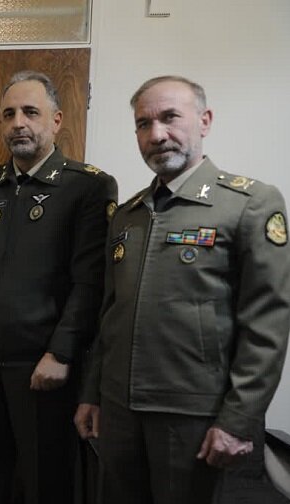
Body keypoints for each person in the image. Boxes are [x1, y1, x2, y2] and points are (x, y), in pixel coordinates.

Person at [74, 76, 290, 504]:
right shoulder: (128, 215)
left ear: (204, 121)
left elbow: (267, 325)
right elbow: (109, 314)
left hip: (195, 416)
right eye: (143, 123)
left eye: (170, 117)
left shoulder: (249, 204)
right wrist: (92, 394)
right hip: (119, 411)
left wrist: (239, 420)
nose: (157, 134)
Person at [0, 71, 117, 504]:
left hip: (44, 369)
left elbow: (90, 282)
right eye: (9, 114)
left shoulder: (87, 187)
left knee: (45, 482)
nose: (18, 122)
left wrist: (61, 353)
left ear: (56, 120)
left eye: (30, 112)